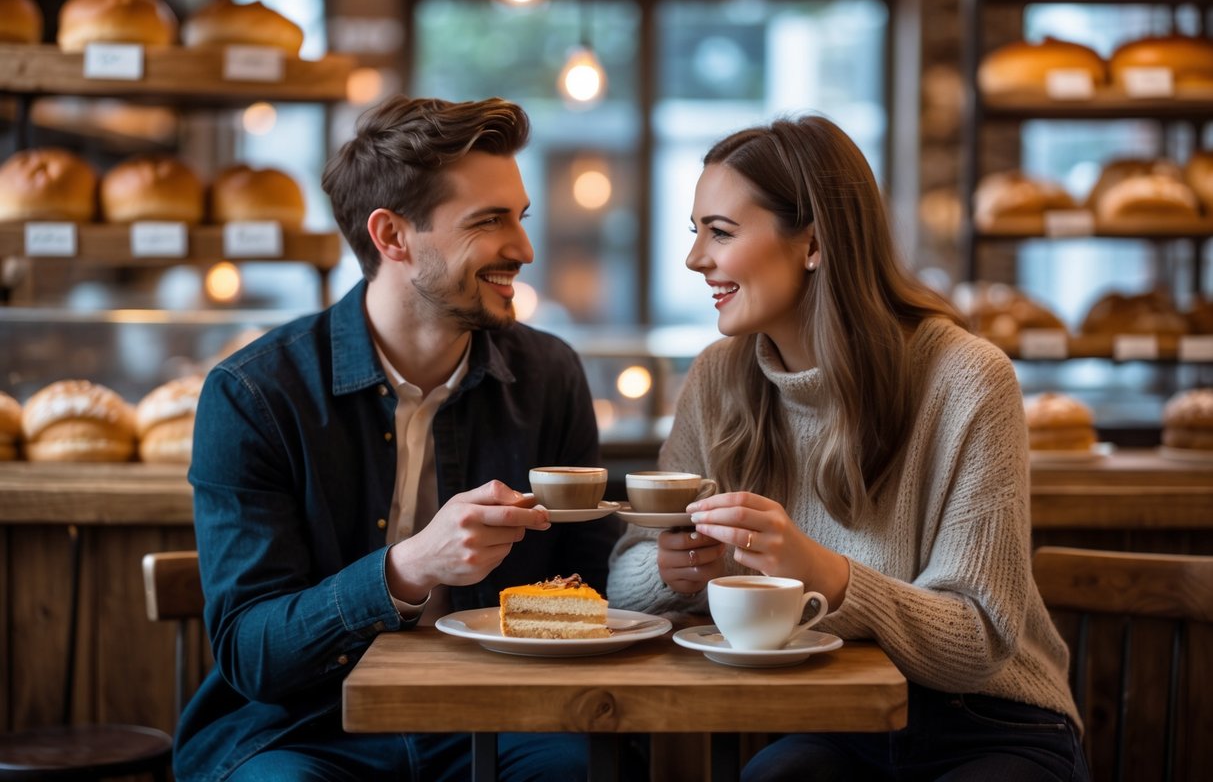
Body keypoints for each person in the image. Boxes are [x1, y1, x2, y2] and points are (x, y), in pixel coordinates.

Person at [607, 115, 1088, 781]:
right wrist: (672, 569)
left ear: (812, 242)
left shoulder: (966, 376)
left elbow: (976, 640)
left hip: (992, 722)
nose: (694, 259)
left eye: (719, 232)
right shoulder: (717, 377)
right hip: (839, 716)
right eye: (696, 233)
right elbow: (623, 584)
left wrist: (823, 573)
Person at [177, 95, 619, 782]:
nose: (524, 249)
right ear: (392, 237)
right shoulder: (254, 393)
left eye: (520, 218)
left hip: (499, 717)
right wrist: (407, 568)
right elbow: (251, 652)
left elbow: (593, 585)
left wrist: (652, 576)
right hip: (307, 726)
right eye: (489, 221)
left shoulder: (548, 375)